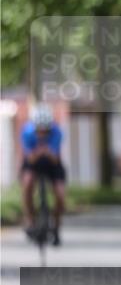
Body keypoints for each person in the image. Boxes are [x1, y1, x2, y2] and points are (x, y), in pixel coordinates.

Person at [20, 104, 68, 246]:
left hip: (53, 165)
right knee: (27, 184)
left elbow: (54, 158)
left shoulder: (57, 132)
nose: (41, 133)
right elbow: (30, 158)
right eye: (38, 130)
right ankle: (30, 220)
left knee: (60, 195)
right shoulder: (27, 132)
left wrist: (43, 151)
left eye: (45, 130)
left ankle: (56, 227)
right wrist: (42, 151)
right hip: (33, 163)